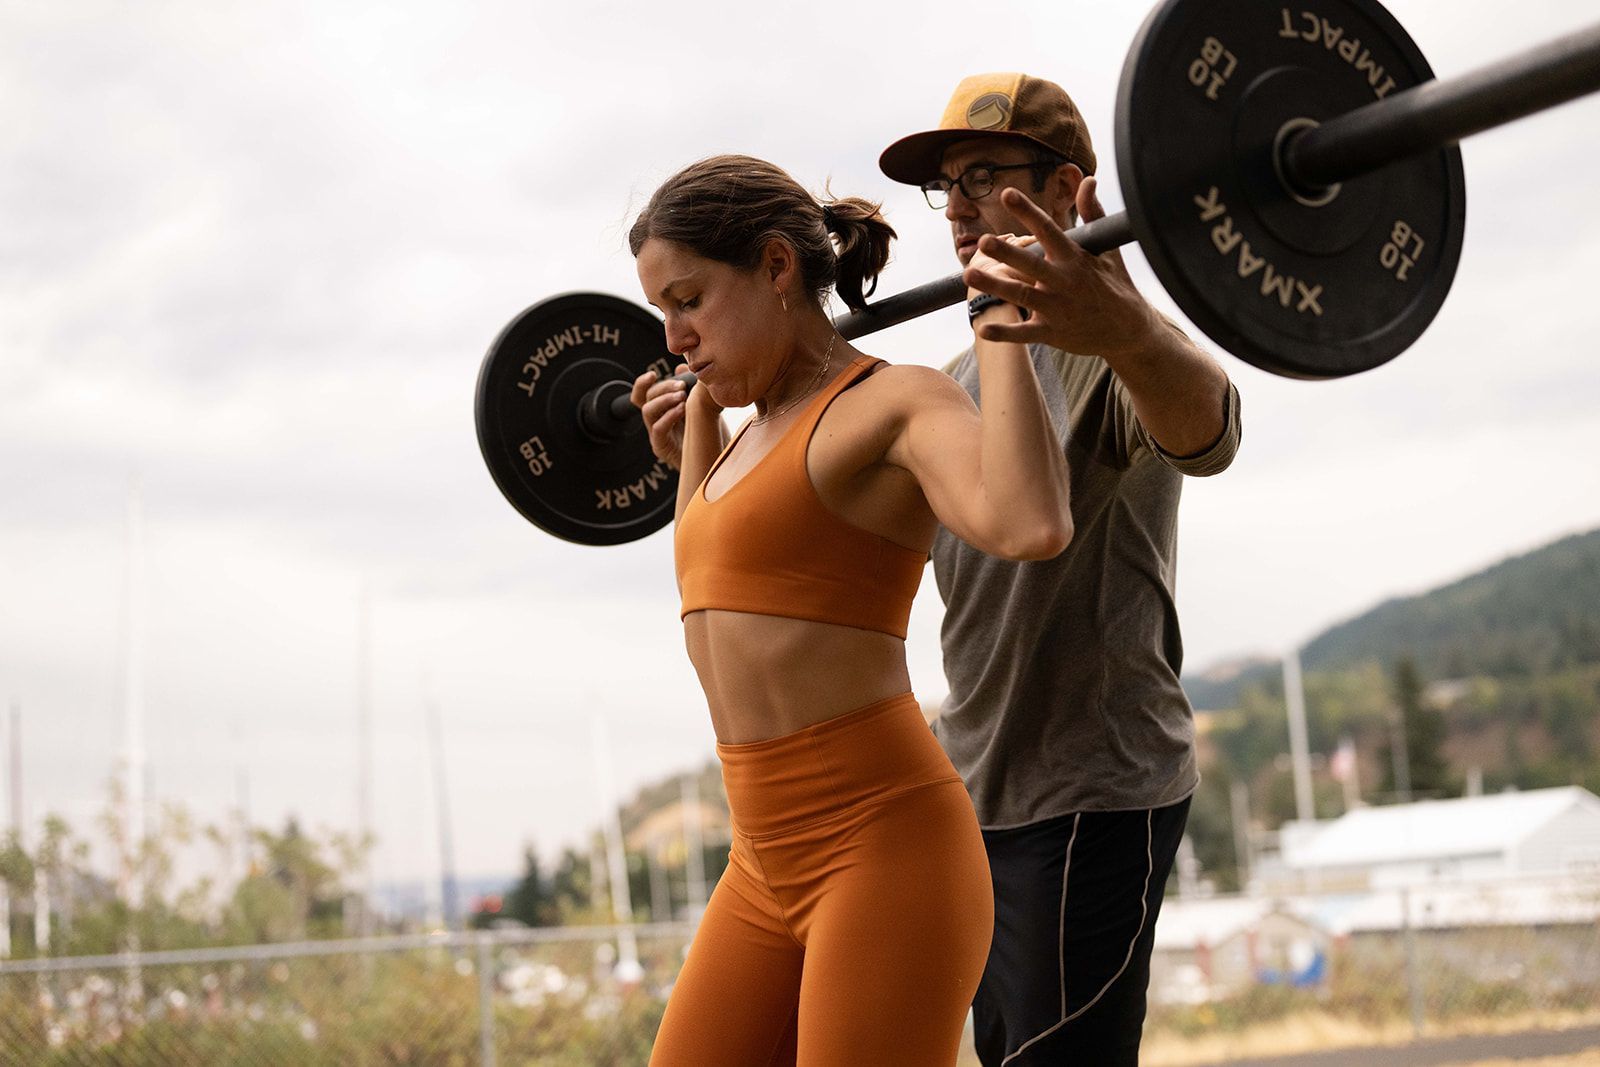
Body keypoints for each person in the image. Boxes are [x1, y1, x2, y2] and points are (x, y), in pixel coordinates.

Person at [626, 153, 1075, 1067]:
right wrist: (696, 440)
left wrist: (998, 324)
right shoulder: (735, 435)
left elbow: (1029, 521)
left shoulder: (895, 401)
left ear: (777, 267)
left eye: (690, 300)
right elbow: (723, 578)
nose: (674, 338)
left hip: (883, 848)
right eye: (662, 314)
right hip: (760, 857)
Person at [875, 73, 1245, 1064]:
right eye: (943, 186)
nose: (954, 205)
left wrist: (1128, 330)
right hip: (978, 797)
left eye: (982, 174)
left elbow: (1207, 432)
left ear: (1067, 185)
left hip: (1094, 789)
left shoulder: (1112, 346)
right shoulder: (956, 385)